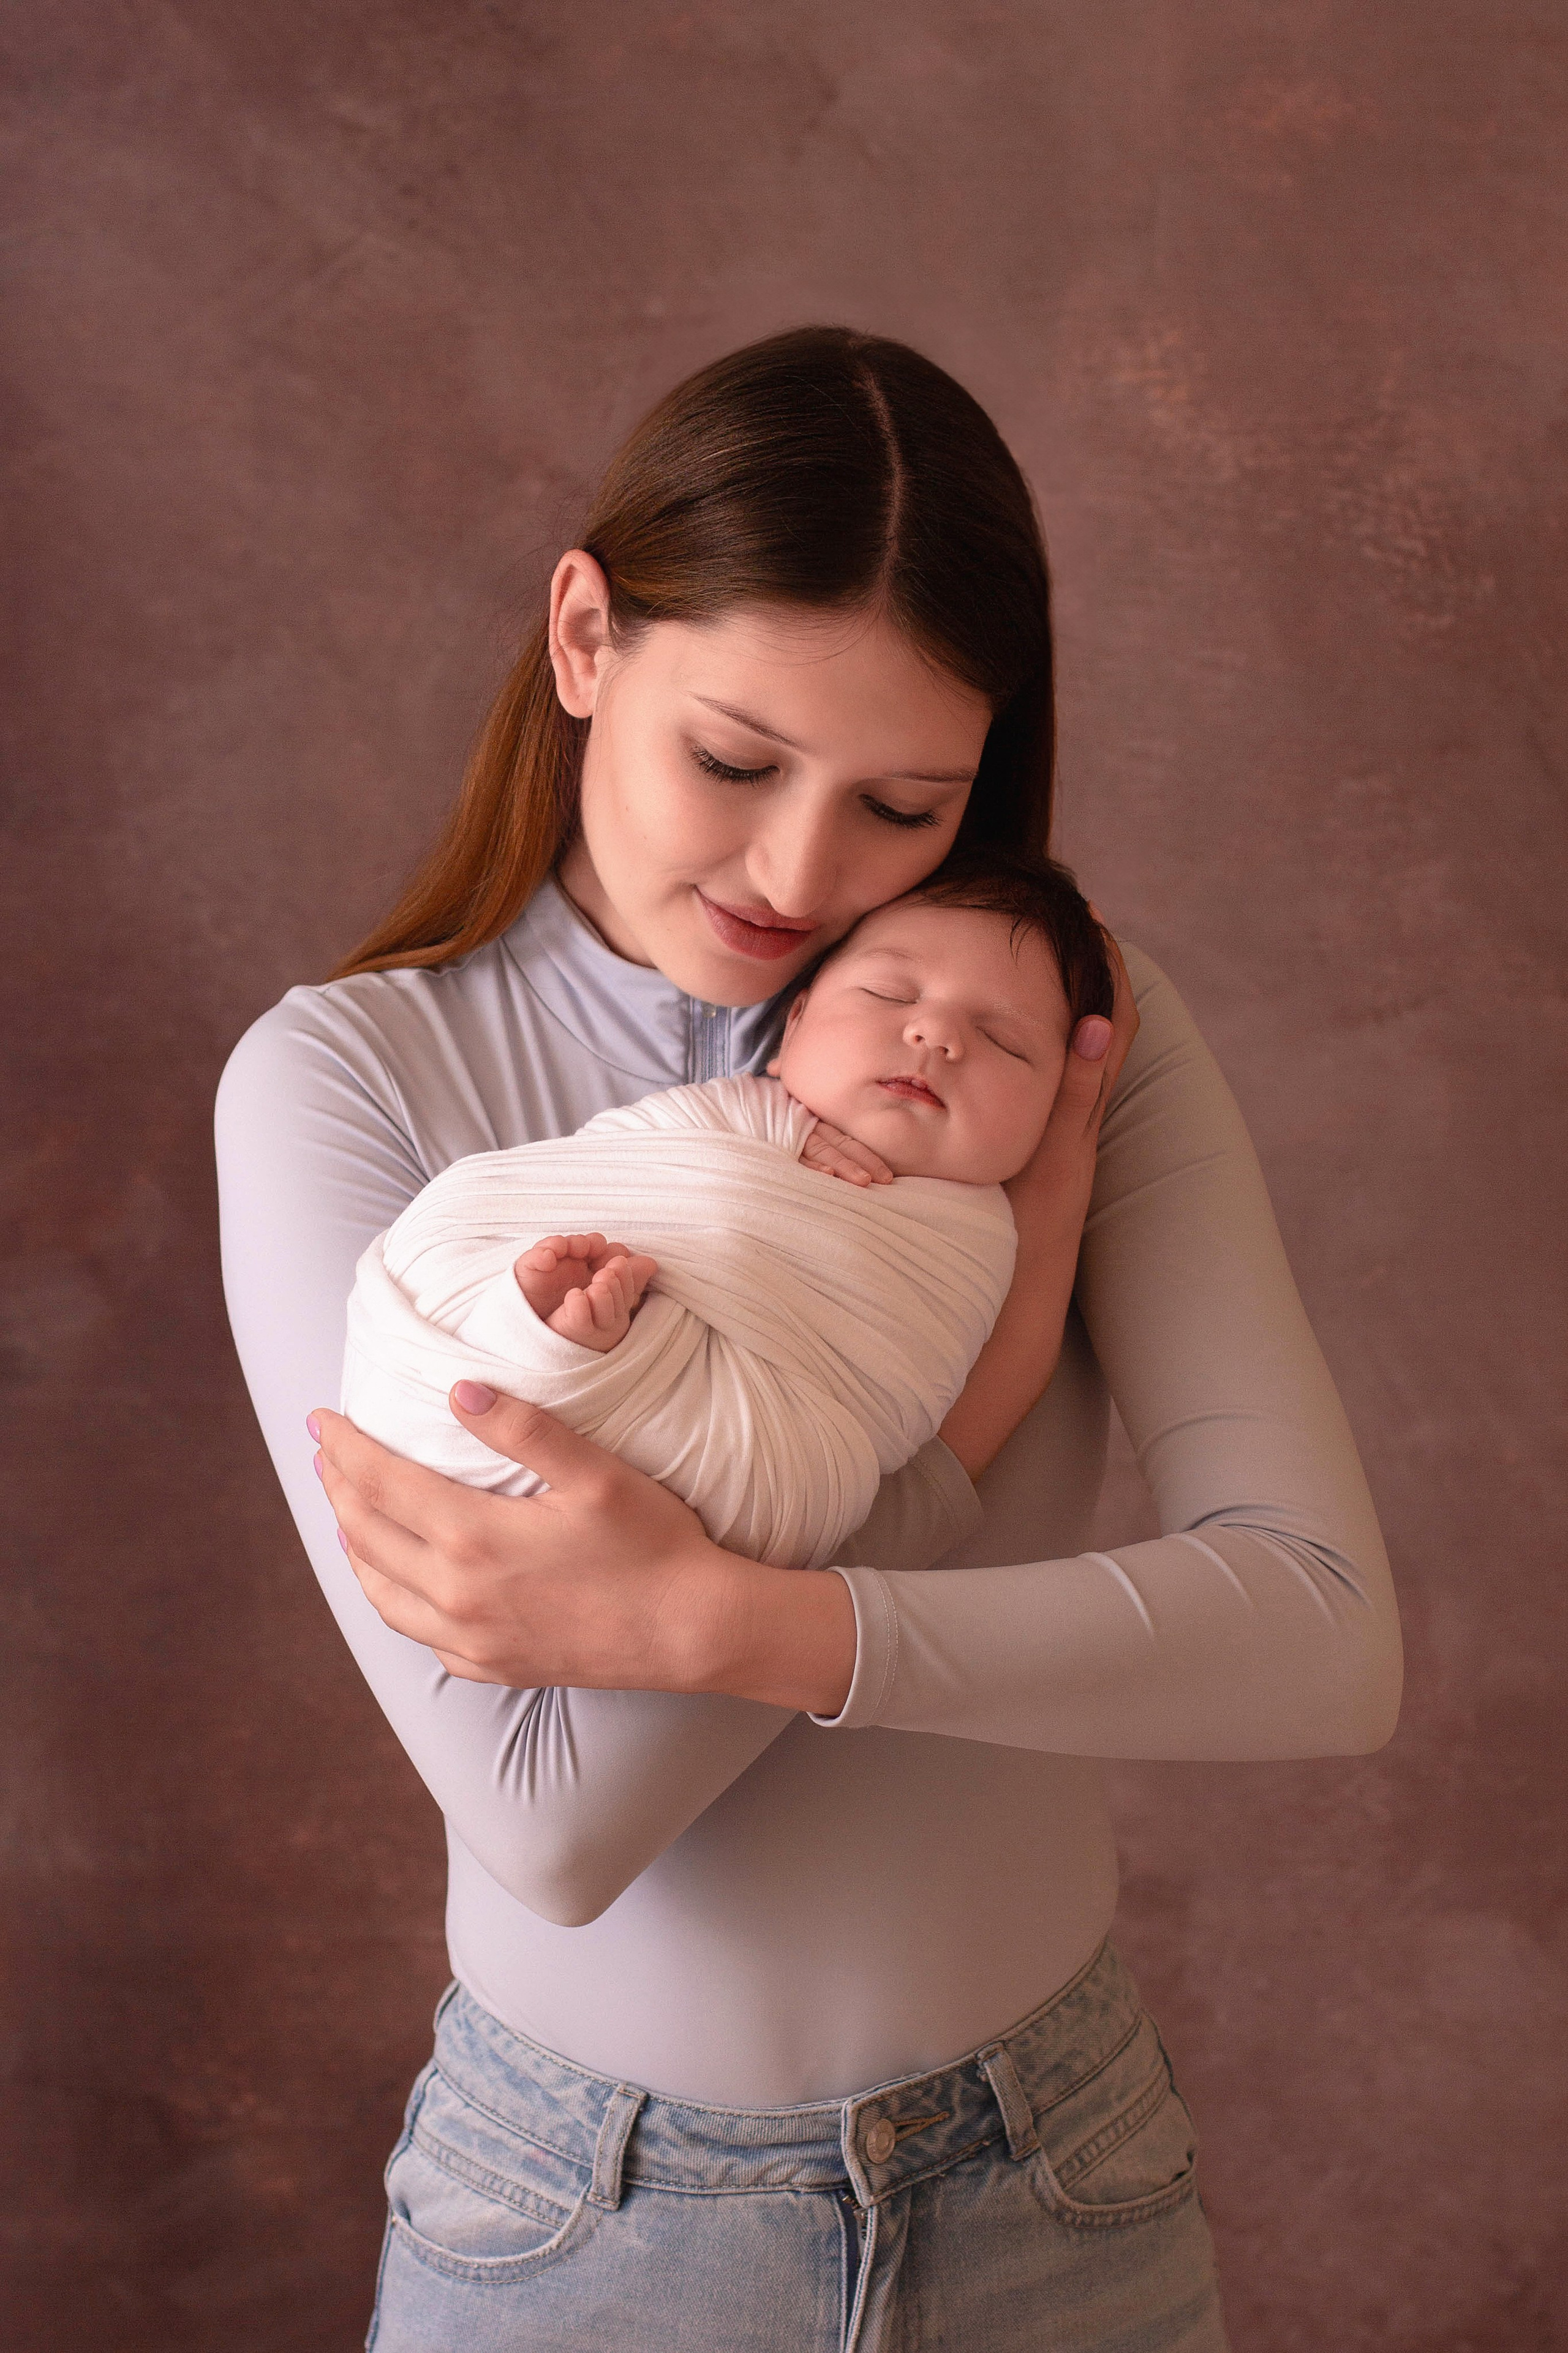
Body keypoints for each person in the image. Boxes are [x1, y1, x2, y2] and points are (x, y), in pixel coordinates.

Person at [215, 327, 1401, 2352]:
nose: (797, 877)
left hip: (1065, 2187)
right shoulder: (352, 1084)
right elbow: (552, 1818)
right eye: (736, 762)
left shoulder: (1046, 1038)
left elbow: (1322, 1639)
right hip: (590, 2232)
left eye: (904, 803)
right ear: (585, 637)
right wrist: (968, 1408)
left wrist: (730, 1621)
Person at [340, 860, 1112, 1577]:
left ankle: (560, 1351)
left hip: (758, 1455)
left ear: (1055, 1107)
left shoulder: (976, 1239)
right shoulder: (728, 1112)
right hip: (481, 1370)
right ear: (794, 1026)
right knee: (470, 1255)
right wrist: (744, 1179)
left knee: (792, 1487)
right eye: (890, 995)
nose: (936, 1036)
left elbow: (887, 1403)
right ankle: (541, 1334)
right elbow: (594, 1171)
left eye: (1004, 1041)